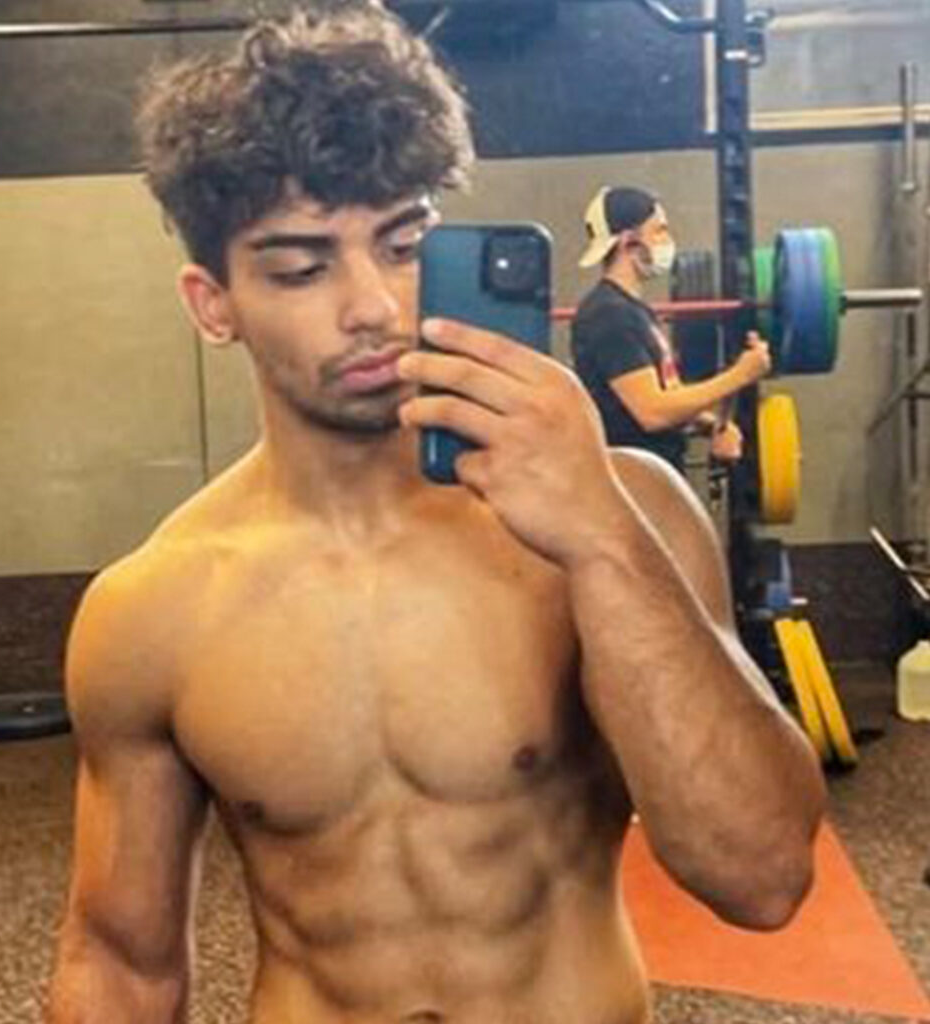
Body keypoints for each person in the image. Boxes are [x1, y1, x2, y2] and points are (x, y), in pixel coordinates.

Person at [46, 5, 826, 1023]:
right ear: (213, 303)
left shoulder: (623, 510)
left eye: (404, 243)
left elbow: (762, 875)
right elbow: (121, 964)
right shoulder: (152, 610)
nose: (375, 305)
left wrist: (598, 537)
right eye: (301, 266)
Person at [570, 186, 772, 474]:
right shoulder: (609, 315)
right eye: (659, 231)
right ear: (629, 242)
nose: (667, 241)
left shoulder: (637, 312)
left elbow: (667, 395)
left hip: (656, 478)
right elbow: (652, 411)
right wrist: (741, 374)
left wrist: (709, 424)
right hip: (632, 484)